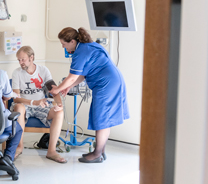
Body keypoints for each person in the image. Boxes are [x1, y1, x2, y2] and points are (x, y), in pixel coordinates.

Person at [50, 27, 129, 163]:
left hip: (107, 84)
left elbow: (72, 77)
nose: (63, 46)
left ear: (72, 41)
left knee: (101, 119)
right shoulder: (88, 46)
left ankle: (97, 154)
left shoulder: (81, 52)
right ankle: (100, 151)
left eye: (64, 44)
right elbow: (82, 75)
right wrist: (67, 87)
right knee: (102, 117)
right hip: (112, 81)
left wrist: (57, 89)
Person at [11, 46, 66, 164]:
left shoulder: (43, 70)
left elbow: (53, 90)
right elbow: (16, 99)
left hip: (42, 106)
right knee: (18, 108)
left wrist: (59, 104)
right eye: (19, 60)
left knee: (59, 112)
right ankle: (19, 147)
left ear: (31, 58)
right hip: (25, 105)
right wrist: (33, 102)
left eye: (23, 59)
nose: (20, 62)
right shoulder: (17, 73)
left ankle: (51, 151)